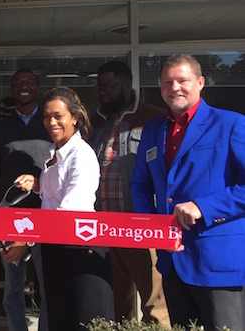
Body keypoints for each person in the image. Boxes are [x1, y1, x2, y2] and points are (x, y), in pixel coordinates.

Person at [131, 54, 245, 331]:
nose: (175, 88)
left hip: (218, 262)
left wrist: (203, 207)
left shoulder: (230, 124)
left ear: (200, 82)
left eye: (183, 81)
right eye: (167, 82)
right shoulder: (153, 129)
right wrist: (152, 227)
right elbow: (139, 185)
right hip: (172, 261)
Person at [15, 86, 114, 330]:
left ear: (75, 118)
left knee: (84, 322)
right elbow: (54, 199)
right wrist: (38, 185)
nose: (51, 122)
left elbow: (69, 211)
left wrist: (25, 240)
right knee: (60, 319)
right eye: (47, 116)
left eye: (58, 116)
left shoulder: (81, 155)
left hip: (81, 248)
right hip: (55, 247)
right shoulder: (54, 151)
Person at [88, 61, 169, 326]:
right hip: (103, 228)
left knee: (155, 305)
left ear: (127, 85)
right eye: (100, 87)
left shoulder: (154, 118)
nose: (103, 93)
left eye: (109, 87)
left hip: (139, 227)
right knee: (114, 304)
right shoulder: (96, 122)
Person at [0, 69, 49, 331]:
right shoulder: (1, 128)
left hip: (46, 215)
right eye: (17, 83)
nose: (23, 87)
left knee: (47, 285)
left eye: (29, 83)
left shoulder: (50, 123)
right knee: (13, 287)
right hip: (10, 218)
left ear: (37, 88)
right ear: (12, 89)